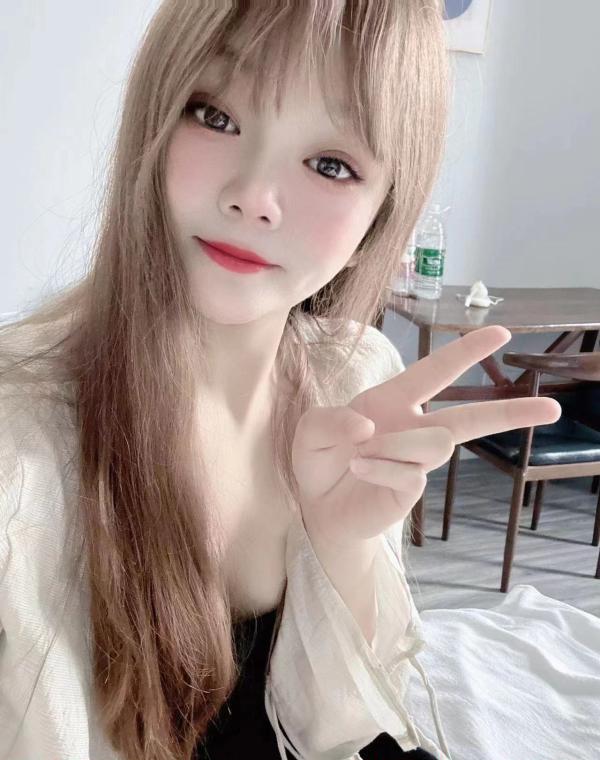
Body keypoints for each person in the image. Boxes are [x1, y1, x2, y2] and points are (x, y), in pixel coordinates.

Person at [0, 2, 561, 759]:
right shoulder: (19, 446)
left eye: (331, 165)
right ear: (154, 114)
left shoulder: (355, 378)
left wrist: (342, 546)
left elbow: (341, 731)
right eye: (216, 115)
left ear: (380, 218)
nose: (254, 197)